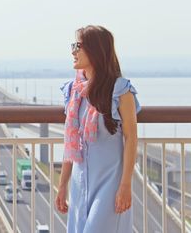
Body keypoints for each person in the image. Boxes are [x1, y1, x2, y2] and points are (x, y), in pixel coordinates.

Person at [55, 25, 141, 233]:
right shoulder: (73, 92)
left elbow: (131, 138)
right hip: (79, 183)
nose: (73, 51)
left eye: (78, 46)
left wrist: (126, 185)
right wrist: (63, 184)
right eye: (73, 45)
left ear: (96, 50)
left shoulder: (120, 90)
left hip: (110, 184)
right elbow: (72, 142)